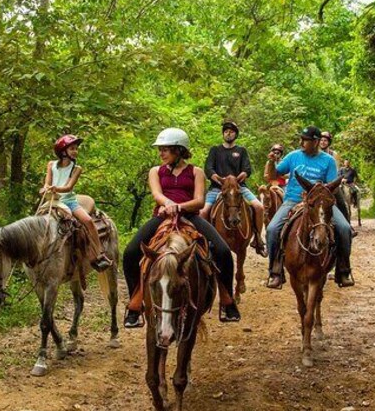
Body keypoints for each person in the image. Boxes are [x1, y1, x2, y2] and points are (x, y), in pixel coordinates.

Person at [122, 128, 241, 328]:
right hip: (162, 217)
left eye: (165, 150)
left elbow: (200, 201)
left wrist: (180, 207)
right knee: (131, 252)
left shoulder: (196, 172)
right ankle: (135, 302)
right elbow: (157, 195)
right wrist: (169, 205)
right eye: (160, 150)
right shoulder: (155, 171)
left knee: (222, 251)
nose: (161, 154)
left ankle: (227, 300)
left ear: (178, 150)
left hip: (190, 217)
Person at [263, 126, 355, 289]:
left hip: (320, 202)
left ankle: (343, 269)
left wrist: (314, 197)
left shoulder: (328, 161)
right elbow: (272, 175)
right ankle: (275, 271)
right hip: (293, 200)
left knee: (344, 228)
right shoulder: (293, 156)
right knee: (272, 229)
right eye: (302, 139)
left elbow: (331, 186)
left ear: (316, 142)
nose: (302, 142)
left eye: (305, 140)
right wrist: (271, 161)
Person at [40, 134, 112, 271]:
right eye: (72, 148)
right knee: (34, 223)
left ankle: (99, 253)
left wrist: (56, 188)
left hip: (68, 201)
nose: (75, 151)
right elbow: (47, 182)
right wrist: (45, 189)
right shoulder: (51, 165)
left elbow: (68, 187)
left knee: (88, 221)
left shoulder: (76, 169)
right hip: (52, 201)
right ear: (63, 151)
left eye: (76, 148)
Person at [199, 121, 267, 257]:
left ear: (235, 134)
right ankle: (204, 242)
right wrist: (217, 178)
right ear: (223, 134)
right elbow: (208, 168)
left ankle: (258, 239)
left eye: (231, 132)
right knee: (203, 211)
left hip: (238, 187)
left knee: (259, 207)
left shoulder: (241, 151)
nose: (228, 133)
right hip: (218, 188)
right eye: (226, 131)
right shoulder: (215, 150)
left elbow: (247, 169)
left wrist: (242, 175)